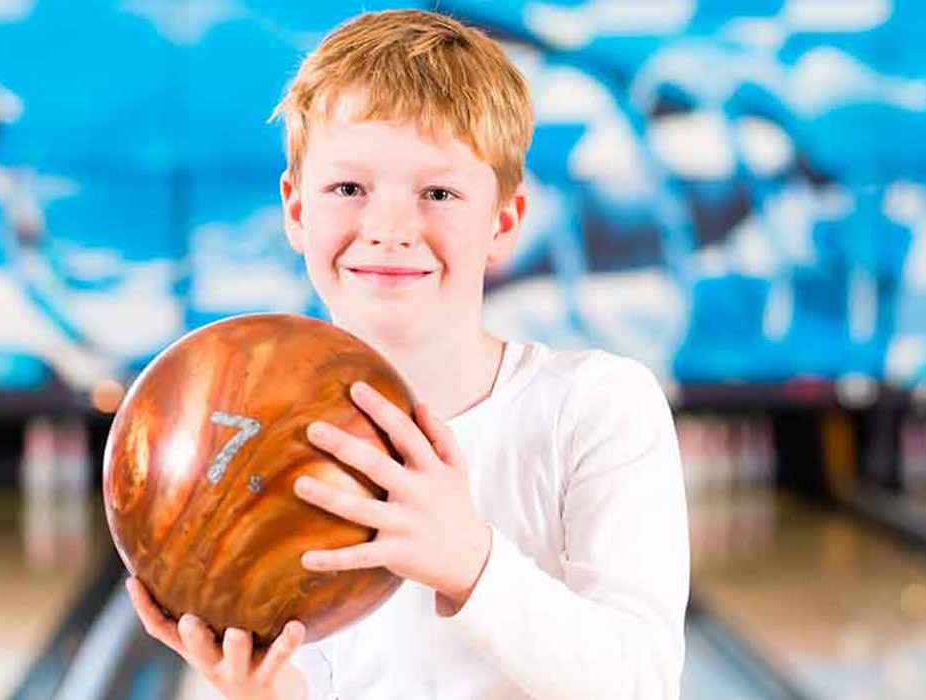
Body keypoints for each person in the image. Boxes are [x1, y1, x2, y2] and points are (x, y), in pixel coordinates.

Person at [126, 9, 689, 699]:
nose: (390, 228)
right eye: (348, 189)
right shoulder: (262, 439)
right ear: (297, 210)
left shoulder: (600, 406)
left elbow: (643, 683)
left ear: (504, 220)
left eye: (438, 193)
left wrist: (471, 563)